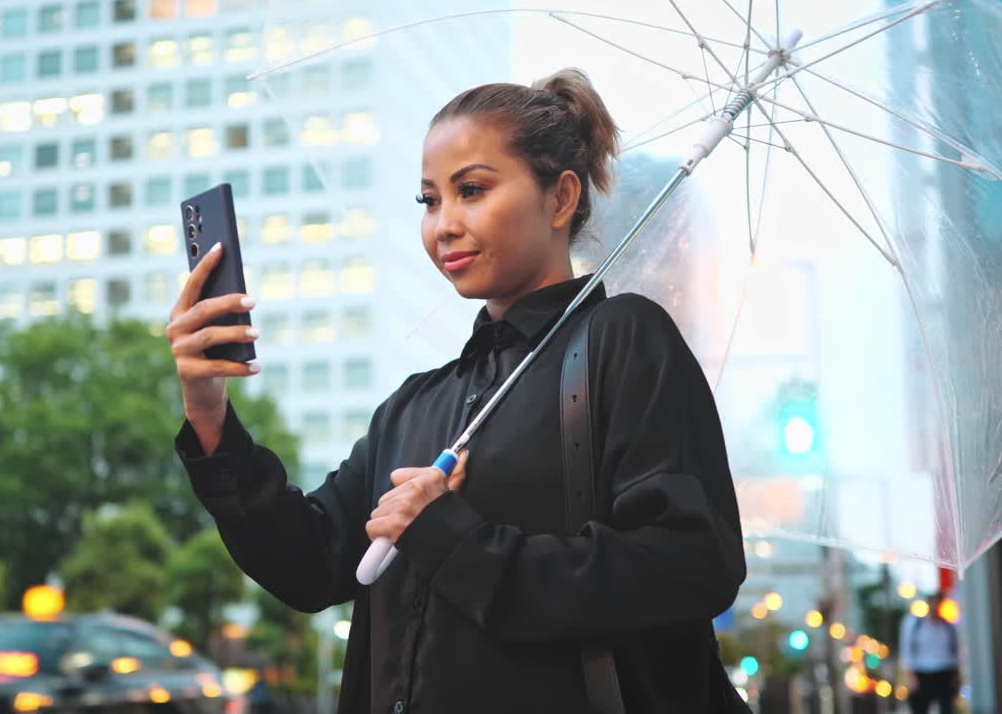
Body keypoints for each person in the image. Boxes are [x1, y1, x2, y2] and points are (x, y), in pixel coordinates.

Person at [166, 68, 748, 712]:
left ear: (560, 199)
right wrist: (208, 411)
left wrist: (455, 539)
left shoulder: (626, 340)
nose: (443, 224)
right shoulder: (415, 405)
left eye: (471, 190)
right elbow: (312, 563)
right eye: (429, 200)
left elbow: (689, 563)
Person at [899, 593, 961, 714]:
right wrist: (911, 676)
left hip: (945, 671)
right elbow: (907, 650)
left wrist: (956, 676)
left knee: (946, 707)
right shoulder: (915, 625)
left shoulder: (948, 627)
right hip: (922, 672)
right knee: (920, 707)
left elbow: (954, 652)